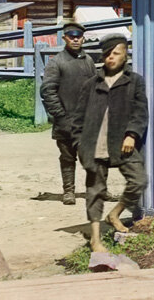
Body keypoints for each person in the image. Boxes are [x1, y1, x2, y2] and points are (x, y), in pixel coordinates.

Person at [74, 34, 148, 252]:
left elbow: (140, 111)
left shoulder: (134, 81)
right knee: (95, 191)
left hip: (122, 144)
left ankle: (115, 214)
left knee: (139, 180)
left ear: (125, 55)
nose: (111, 58)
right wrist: (79, 144)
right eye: (107, 54)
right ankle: (95, 239)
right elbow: (78, 117)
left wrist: (132, 134)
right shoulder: (91, 84)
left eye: (116, 53)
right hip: (93, 145)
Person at [39, 22, 96, 205]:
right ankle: (69, 192)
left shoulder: (88, 61)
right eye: (71, 36)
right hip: (65, 120)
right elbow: (48, 91)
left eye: (78, 36)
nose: (75, 39)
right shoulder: (57, 62)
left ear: (83, 38)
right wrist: (60, 115)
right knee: (67, 157)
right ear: (64, 38)